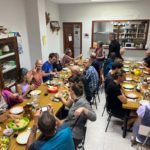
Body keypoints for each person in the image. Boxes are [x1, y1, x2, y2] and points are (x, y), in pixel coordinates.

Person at [57, 82, 96, 149]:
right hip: (71, 126)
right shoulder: (77, 99)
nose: (69, 92)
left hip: (74, 135)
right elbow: (70, 108)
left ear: (72, 92)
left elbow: (94, 117)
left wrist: (83, 109)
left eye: (70, 90)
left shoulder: (83, 103)